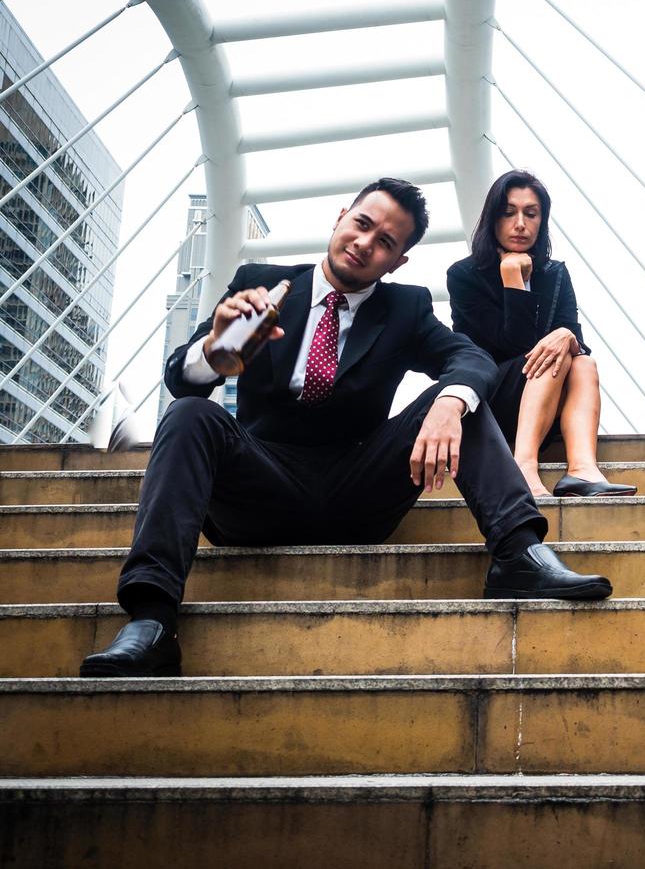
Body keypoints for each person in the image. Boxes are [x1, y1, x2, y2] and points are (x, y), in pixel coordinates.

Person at [80, 177, 612, 678]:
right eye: (360, 223)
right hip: (261, 485)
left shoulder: (405, 307)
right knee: (191, 414)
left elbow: (469, 358)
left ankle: (518, 555)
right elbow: (182, 378)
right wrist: (213, 354)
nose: (364, 243)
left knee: (456, 397)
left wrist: (450, 403)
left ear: (398, 260)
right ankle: (151, 620)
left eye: (384, 241)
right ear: (340, 218)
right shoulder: (261, 285)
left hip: (357, 488)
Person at [447, 170, 634, 499]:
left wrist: (564, 334)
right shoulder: (464, 276)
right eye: (509, 213)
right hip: (491, 404)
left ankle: (582, 470)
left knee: (584, 363)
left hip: (544, 405)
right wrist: (511, 278)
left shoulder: (554, 273)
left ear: (542, 221)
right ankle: (523, 468)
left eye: (531, 214)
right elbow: (511, 346)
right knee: (553, 355)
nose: (520, 223)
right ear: (492, 219)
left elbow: (576, 339)